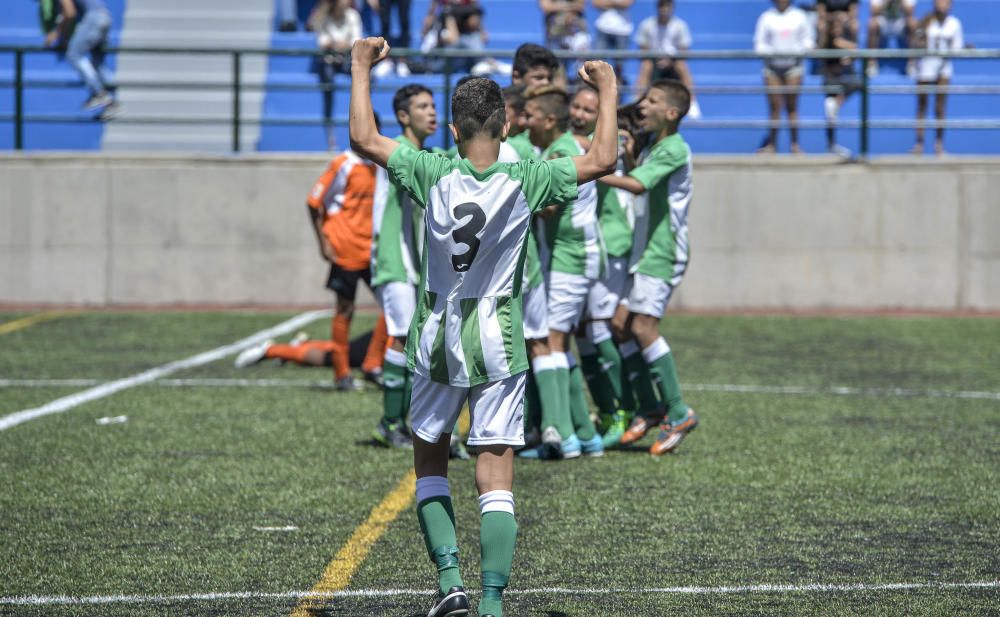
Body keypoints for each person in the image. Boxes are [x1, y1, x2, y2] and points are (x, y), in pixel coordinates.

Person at [349, 35, 618, 617]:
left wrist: (360, 66)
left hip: (437, 334)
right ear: (503, 128)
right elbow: (603, 159)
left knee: (430, 463)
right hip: (498, 337)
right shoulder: (527, 177)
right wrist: (609, 87)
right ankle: (493, 603)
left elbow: (363, 138)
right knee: (496, 479)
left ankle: (450, 585)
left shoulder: (431, 170)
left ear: (451, 129)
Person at [598, 79, 699, 456]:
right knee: (621, 326)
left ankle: (678, 411)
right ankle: (651, 406)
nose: (644, 104)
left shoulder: (674, 148)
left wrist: (590, 170)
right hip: (645, 249)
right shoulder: (660, 145)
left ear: (672, 113)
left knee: (642, 327)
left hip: (662, 251)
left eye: (653, 100)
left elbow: (639, 186)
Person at [234, 144, 390, 385]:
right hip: (346, 251)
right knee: (346, 310)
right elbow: (313, 201)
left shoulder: (378, 166)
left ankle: (372, 363)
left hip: (372, 252)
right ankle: (342, 373)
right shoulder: (343, 164)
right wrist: (323, 243)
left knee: (393, 307)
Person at [519, 85, 606, 460]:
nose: (525, 123)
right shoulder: (571, 147)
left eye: (530, 116)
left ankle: (564, 436)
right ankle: (586, 434)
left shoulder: (559, 151)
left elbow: (549, 209)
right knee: (560, 343)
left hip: (570, 258)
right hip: (576, 256)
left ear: (550, 120)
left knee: (550, 342)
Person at [370, 83, 438, 449]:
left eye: (433, 106)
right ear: (402, 116)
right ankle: (390, 423)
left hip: (413, 262)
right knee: (400, 337)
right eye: (423, 106)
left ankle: (410, 422)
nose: (432, 112)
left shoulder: (422, 152)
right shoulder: (398, 151)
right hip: (394, 259)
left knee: (415, 339)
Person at [753, 0, 814, 154]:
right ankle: (772, 145)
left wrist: (796, 52)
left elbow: (808, 41)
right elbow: (759, 43)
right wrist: (772, 53)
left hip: (794, 67)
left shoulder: (800, 16)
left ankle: (795, 145)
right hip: (772, 68)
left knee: (792, 106)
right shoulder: (766, 17)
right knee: (774, 107)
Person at [44, 0, 118, 115]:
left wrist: (56, 34)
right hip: (105, 17)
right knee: (97, 65)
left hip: (93, 18)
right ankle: (113, 102)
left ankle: (98, 94)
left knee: (74, 55)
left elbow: (69, 13)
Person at [911, 0, 963, 155]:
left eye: (945, 2)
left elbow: (957, 48)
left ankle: (939, 145)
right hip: (925, 67)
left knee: (940, 108)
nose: (942, 5)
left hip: (943, 68)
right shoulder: (926, 20)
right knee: (922, 106)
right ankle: (919, 145)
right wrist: (922, 41)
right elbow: (915, 43)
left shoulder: (954, 23)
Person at [309, 0, 362, 150]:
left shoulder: (353, 15)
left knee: (365, 77)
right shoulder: (322, 16)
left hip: (347, 59)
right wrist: (336, 44)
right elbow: (321, 41)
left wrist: (341, 45)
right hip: (329, 60)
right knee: (328, 84)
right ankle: (330, 137)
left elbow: (357, 40)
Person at [635, 0, 700, 118]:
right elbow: (643, 49)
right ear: (657, 8)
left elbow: (683, 50)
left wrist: (670, 60)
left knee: (682, 65)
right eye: (662, 6)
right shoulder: (647, 25)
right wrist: (655, 58)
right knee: (646, 65)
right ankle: (638, 100)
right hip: (653, 59)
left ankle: (692, 102)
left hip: (673, 59)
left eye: (667, 6)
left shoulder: (680, 26)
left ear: (672, 8)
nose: (664, 9)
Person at [819, 9, 861, 158]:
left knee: (858, 83)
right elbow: (853, 47)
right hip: (830, 80)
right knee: (830, 114)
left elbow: (851, 54)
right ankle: (831, 145)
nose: (838, 30)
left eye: (839, 27)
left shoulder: (838, 40)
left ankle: (838, 101)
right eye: (835, 27)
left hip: (840, 80)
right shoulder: (831, 41)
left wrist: (848, 59)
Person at [539, 0, 591, 78]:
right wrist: (570, 6)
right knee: (556, 71)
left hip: (577, 35)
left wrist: (558, 6)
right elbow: (546, 7)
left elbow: (580, 6)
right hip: (555, 35)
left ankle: (581, 86)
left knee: (583, 69)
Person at [866, 0, 917, 76]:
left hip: (900, 22)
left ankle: (911, 64)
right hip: (883, 22)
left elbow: (910, 12)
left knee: (912, 23)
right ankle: (872, 63)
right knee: (872, 24)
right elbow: (873, 11)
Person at [592, 0, 635, 78]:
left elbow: (627, 3)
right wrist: (618, 3)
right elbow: (596, 3)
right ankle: (598, 86)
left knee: (620, 65)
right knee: (598, 63)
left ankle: (616, 87)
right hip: (603, 27)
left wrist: (608, 3)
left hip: (623, 30)